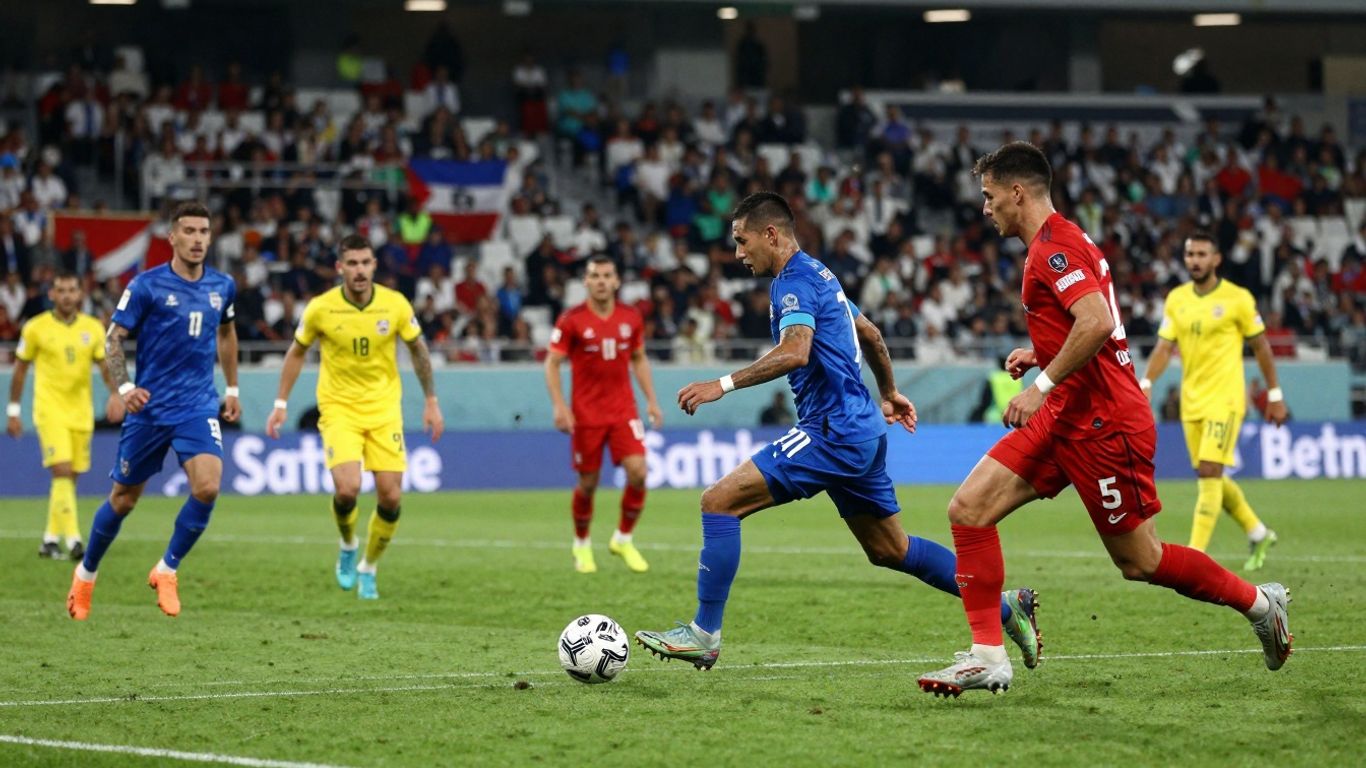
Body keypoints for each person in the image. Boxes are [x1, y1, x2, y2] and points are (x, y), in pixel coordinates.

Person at [915, 143, 1291, 697]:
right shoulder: (1054, 242)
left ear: (1018, 193)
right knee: (968, 510)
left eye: (990, 197)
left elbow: (1094, 321)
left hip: (1102, 423)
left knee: (1141, 561)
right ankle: (988, 655)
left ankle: (1261, 605)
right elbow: (1091, 327)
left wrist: (1040, 386)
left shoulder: (1054, 250)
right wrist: (1041, 354)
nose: (986, 208)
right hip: (1070, 411)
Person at [635, 192, 1042, 671]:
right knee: (892, 549)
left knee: (718, 502)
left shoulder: (794, 283)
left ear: (772, 234)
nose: (738, 254)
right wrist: (888, 393)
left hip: (832, 431)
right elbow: (869, 333)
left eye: (742, 242)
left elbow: (795, 351)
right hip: (863, 430)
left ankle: (703, 633)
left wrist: (720, 385)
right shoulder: (821, 274)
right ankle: (1005, 607)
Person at [66, 202, 240, 620]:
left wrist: (231, 387)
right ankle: (86, 575)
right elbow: (113, 339)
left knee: (208, 486)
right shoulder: (146, 286)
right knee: (123, 500)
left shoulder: (223, 286)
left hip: (197, 405)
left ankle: (167, 569)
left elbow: (228, 333)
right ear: (173, 237)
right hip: (149, 409)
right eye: (189, 231)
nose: (197, 239)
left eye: (204, 231)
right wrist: (125, 386)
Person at [266, 234, 443, 600]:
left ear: (374, 265)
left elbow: (418, 349)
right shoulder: (321, 308)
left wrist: (431, 400)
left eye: (366, 263)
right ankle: (348, 543)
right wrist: (281, 402)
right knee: (347, 489)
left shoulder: (394, 305)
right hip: (339, 409)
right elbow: (296, 353)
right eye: (353, 263)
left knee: (391, 498)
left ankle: (369, 566)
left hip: (384, 410)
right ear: (340, 267)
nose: (360, 270)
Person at [1139, 232, 1287, 570]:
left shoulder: (1238, 299)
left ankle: (1195, 557)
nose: (1195, 260)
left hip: (1227, 399)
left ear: (1216, 259)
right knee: (1211, 476)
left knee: (1209, 471)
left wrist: (1275, 395)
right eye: (1190, 254)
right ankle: (1258, 531)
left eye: (1202, 254)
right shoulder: (1176, 299)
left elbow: (1261, 346)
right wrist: (1147, 381)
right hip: (1192, 402)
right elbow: (1164, 347)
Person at [544, 256, 663, 574]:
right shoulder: (571, 320)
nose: (600, 281)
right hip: (586, 414)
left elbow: (639, 359)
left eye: (606, 275)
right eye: (594, 275)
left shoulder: (631, 317)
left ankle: (623, 538)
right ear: (585, 281)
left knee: (638, 472)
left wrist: (651, 400)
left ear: (616, 281)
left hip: (624, 410)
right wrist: (559, 405)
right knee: (588, 483)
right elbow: (552, 363)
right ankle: (581, 544)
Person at [8, 271, 123, 560]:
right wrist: (13, 410)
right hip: (49, 410)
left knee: (68, 479)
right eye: (61, 290)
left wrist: (116, 392)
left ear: (80, 293)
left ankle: (49, 539)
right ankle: (74, 541)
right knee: (60, 471)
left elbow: (104, 365)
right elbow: (20, 370)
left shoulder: (93, 327)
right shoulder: (35, 328)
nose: (67, 295)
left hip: (81, 413)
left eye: (72, 289)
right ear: (52, 295)